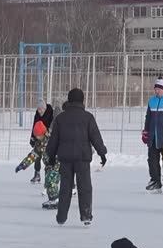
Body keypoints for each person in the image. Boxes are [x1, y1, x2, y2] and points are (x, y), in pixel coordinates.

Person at [46, 88, 107, 226]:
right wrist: (102, 153)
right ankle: (86, 215)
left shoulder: (60, 118)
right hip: (82, 158)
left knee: (65, 188)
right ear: (82, 100)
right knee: (84, 187)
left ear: (69, 100)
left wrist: (50, 156)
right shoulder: (88, 117)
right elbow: (95, 137)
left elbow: (53, 139)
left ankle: (61, 217)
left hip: (65, 158)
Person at [15, 121, 60, 209]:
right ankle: (52, 199)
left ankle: (56, 200)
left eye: (38, 135)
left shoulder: (52, 139)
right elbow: (33, 155)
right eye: (36, 135)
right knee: (48, 182)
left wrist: (57, 165)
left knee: (51, 180)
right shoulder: (39, 143)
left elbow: (60, 151)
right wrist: (23, 164)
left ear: (43, 133)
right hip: (49, 166)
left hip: (57, 164)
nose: (37, 137)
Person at [29, 100, 54, 184]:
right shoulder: (37, 114)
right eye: (38, 109)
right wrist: (32, 138)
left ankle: (50, 177)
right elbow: (34, 125)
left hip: (48, 138)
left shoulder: (51, 113)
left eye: (41, 109)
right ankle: (37, 174)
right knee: (37, 155)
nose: (39, 111)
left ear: (45, 108)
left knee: (48, 158)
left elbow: (53, 125)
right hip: (39, 137)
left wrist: (49, 133)